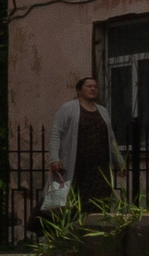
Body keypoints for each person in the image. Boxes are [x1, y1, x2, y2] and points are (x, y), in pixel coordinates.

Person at [49, 74, 119, 209]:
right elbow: (56, 133)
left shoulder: (103, 111)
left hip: (100, 167)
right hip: (78, 165)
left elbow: (111, 139)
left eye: (95, 87)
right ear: (79, 91)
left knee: (100, 201)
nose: (93, 89)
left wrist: (119, 162)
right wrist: (54, 158)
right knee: (76, 200)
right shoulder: (68, 108)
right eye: (89, 86)